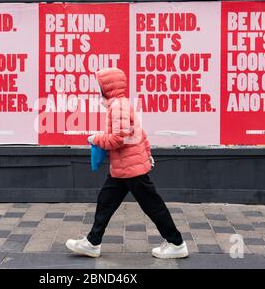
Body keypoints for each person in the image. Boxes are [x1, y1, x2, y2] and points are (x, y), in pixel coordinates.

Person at [66, 67, 189, 259]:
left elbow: (118, 139)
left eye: (100, 85)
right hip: (124, 167)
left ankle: (176, 243)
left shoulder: (118, 107)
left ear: (107, 87)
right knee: (105, 201)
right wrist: (147, 153)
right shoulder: (121, 104)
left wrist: (95, 138)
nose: (98, 89)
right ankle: (92, 242)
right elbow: (140, 132)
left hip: (130, 168)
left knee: (153, 206)